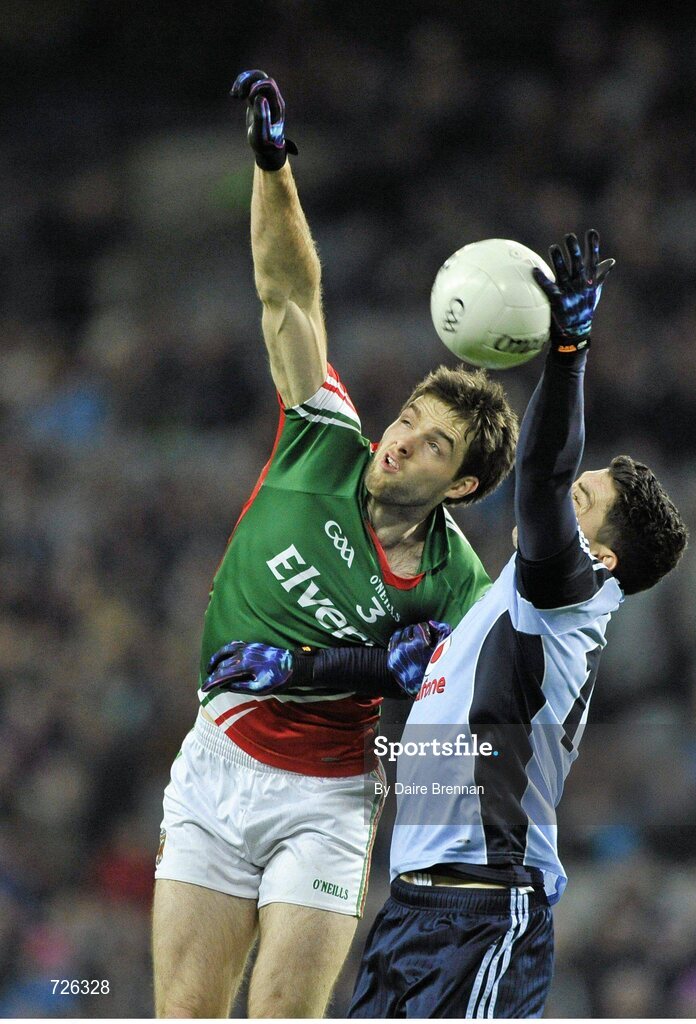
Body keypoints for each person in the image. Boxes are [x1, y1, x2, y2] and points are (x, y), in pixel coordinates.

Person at [207, 229, 689, 1017]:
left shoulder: (567, 603)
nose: (566, 502)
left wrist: (568, 347)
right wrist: (289, 671)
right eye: (580, 488)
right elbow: (402, 671)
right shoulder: (497, 616)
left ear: (602, 559)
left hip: (485, 909)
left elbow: (538, 475)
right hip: (414, 913)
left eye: (584, 501)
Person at [151, 70, 519, 1019]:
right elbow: (286, 291)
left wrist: (418, 697)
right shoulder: (321, 436)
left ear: (464, 486)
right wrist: (273, 165)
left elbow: (474, 738)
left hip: (330, 800)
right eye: (408, 417)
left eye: (434, 444)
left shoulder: (456, 585)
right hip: (219, 762)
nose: (400, 438)